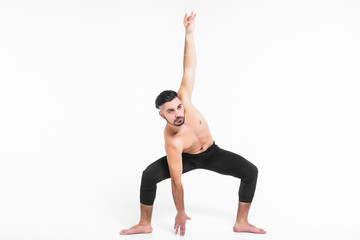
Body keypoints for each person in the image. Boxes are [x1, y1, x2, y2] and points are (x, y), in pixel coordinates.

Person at [120, 11, 266, 236]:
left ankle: (242, 222)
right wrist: (180, 211)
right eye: (171, 111)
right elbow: (176, 183)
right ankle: (144, 223)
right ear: (162, 116)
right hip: (187, 158)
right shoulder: (172, 142)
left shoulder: (184, 98)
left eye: (178, 107)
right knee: (149, 175)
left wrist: (189, 33)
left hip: (212, 152)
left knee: (250, 171)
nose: (178, 113)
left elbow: (189, 67)